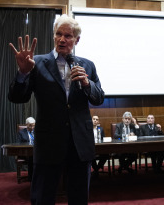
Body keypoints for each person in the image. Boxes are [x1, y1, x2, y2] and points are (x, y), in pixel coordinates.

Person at [8, 14, 105, 205]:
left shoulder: (87, 65)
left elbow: (99, 97)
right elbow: (17, 97)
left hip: (80, 142)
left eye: (68, 36)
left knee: (79, 197)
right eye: (58, 34)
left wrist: (87, 83)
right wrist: (23, 73)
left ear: (76, 40)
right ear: (53, 36)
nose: (62, 39)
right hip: (49, 141)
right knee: (43, 196)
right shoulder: (36, 63)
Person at [17, 117, 35, 181]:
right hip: (25, 153)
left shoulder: (37, 132)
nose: (32, 127)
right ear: (26, 125)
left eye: (33, 125)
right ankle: (31, 178)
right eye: (30, 125)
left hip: (35, 151)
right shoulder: (21, 133)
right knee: (31, 157)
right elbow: (19, 144)